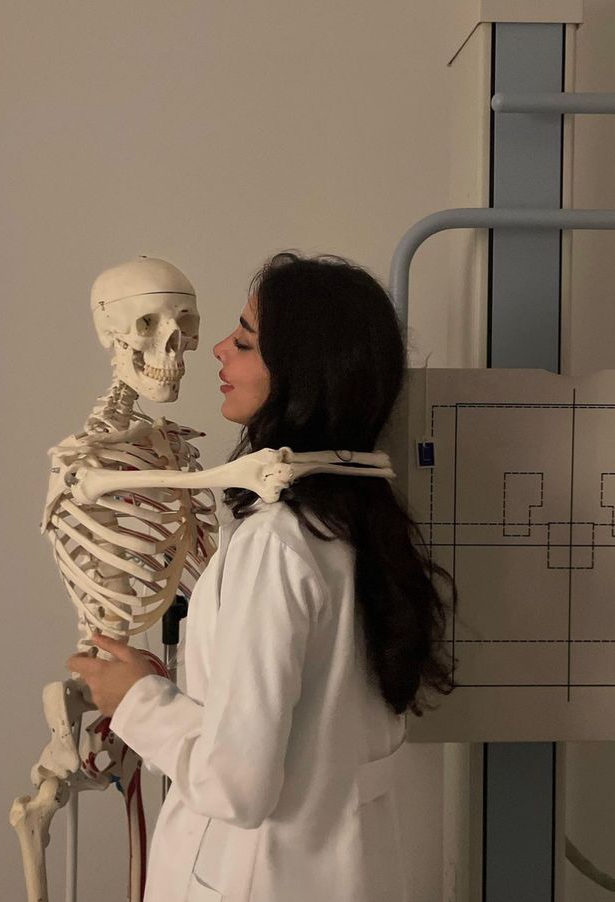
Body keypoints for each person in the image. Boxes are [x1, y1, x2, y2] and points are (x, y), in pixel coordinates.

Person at [68, 250, 457, 902]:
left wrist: (136, 701)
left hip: (257, 878)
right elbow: (310, 731)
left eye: (244, 341)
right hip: (347, 872)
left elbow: (236, 786)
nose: (215, 350)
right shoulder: (360, 525)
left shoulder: (276, 546)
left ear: (301, 374)